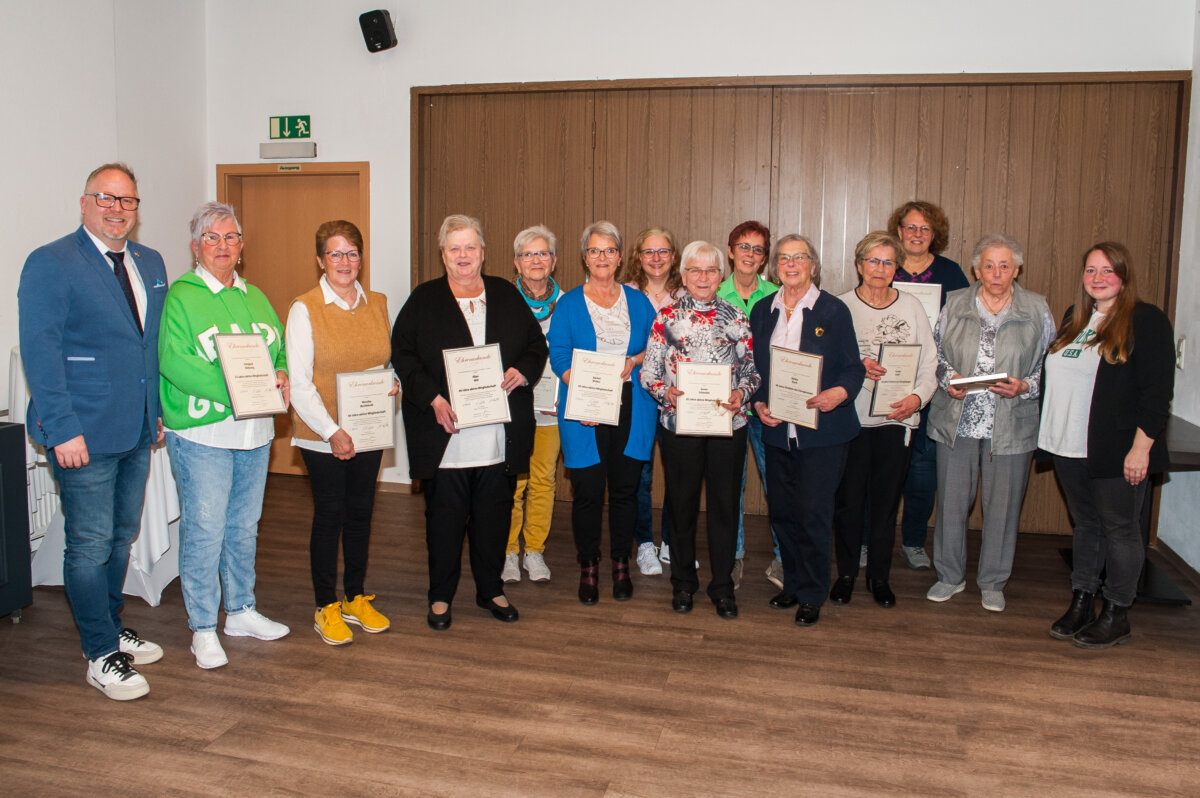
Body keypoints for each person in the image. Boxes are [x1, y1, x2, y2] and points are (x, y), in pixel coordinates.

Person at [18, 163, 167, 700]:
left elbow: (147, 346)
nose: (117, 209)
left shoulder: (150, 261)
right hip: (81, 431)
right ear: (85, 203)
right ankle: (100, 652)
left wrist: (154, 411)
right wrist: (62, 429)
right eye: (106, 198)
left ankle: (109, 624)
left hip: (135, 426)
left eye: (127, 200)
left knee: (121, 535)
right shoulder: (51, 262)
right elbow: (41, 353)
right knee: (87, 543)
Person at [391, 214, 547, 631]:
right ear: (443, 254)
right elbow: (403, 355)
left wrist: (523, 371)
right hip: (448, 437)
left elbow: (536, 344)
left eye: (470, 247)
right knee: (444, 522)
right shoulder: (424, 299)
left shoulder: (505, 294)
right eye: (454, 248)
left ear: (483, 252)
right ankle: (440, 595)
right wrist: (432, 397)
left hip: (498, 436)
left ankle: (490, 589)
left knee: (493, 520)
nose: (463, 255)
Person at [159, 201, 292, 669]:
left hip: (254, 433)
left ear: (241, 245)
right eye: (212, 238)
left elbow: (279, 347)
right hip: (204, 436)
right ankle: (202, 627)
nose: (222, 245)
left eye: (231, 237)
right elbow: (175, 362)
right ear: (195, 246)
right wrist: (238, 390)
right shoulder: (181, 296)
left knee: (243, 527)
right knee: (205, 530)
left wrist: (280, 373)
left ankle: (240, 610)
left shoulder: (255, 296)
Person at [1041, 242, 1174, 648]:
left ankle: (1117, 612)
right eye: (1090, 270)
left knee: (1121, 530)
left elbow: (1157, 393)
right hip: (1068, 445)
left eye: (1107, 270)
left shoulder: (1145, 319)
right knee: (1086, 525)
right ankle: (1082, 601)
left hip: (1117, 448)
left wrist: (1141, 448)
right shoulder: (1075, 318)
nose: (1097, 278)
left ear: (1123, 276)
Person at [926, 233, 1055, 612]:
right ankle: (949, 576)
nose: (996, 273)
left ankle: (994, 582)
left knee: (1003, 507)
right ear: (976, 270)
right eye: (988, 265)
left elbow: (1049, 365)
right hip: (958, 421)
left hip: (1011, 423)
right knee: (951, 504)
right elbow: (935, 354)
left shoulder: (1037, 308)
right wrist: (948, 379)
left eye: (1004, 266)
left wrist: (1025, 386)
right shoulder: (955, 302)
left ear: (1017, 270)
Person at [286, 220, 397, 646]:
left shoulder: (378, 303)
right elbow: (300, 384)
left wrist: (394, 382)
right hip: (322, 435)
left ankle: (354, 597)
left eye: (351, 253)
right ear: (321, 260)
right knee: (329, 516)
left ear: (361, 258)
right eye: (335, 254)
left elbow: (385, 362)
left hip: (369, 429)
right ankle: (325, 605)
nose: (344, 262)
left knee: (361, 514)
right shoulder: (305, 308)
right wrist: (333, 431)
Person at [749, 235, 865, 627]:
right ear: (775, 267)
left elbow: (853, 368)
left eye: (799, 257)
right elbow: (755, 370)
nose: (791, 264)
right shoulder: (763, 310)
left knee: (813, 514)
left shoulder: (833, 310)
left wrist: (839, 393)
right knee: (783, 513)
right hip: (777, 431)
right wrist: (758, 402)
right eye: (784, 258)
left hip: (823, 433)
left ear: (813, 265)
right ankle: (793, 584)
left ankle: (813, 593)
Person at [641, 241, 760, 618]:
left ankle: (722, 586)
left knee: (725, 506)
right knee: (682, 504)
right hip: (680, 425)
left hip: (729, 424)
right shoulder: (666, 316)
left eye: (710, 270)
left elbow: (752, 372)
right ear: (683, 275)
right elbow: (648, 373)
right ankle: (682, 583)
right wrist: (665, 392)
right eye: (695, 270)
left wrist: (742, 393)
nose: (703, 277)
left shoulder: (737, 316)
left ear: (721, 275)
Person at [548, 221, 657, 605]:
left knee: (626, 490)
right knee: (588, 492)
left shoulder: (638, 302)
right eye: (594, 250)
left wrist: (634, 360)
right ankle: (589, 565)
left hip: (633, 405)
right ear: (584, 257)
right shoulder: (569, 304)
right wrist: (585, 396)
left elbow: (655, 347)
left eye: (609, 250)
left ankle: (621, 563)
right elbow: (559, 355)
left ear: (620, 256)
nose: (602, 257)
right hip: (584, 408)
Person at [832, 231, 938, 609]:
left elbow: (930, 364)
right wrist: (855, 366)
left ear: (897, 268)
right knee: (848, 503)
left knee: (885, 504)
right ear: (859, 265)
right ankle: (846, 574)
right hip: (851, 421)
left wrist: (916, 399)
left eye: (888, 262)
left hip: (898, 420)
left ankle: (879, 577)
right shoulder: (840, 306)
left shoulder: (911, 306)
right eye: (873, 261)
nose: (880, 268)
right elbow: (826, 364)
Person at [887, 200, 970, 570]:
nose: (917, 234)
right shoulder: (885, 265)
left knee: (923, 472)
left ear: (934, 234)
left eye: (925, 228)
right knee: (881, 467)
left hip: (934, 385)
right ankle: (869, 540)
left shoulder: (951, 274)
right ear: (899, 230)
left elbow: (965, 327)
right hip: (889, 381)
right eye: (910, 227)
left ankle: (914, 541)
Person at [716, 220, 782, 589]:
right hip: (726, 405)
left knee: (778, 483)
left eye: (758, 249)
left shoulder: (779, 295)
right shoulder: (713, 292)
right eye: (744, 246)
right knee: (731, 486)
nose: (750, 254)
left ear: (764, 257)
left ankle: (783, 557)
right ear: (730, 251)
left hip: (768, 405)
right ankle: (734, 555)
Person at [622, 227, 683, 576]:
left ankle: (672, 542)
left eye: (663, 251)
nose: (656, 258)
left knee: (678, 474)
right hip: (640, 396)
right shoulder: (625, 294)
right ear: (638, 257)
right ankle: (645, 543)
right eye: (649, 251)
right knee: (641, 475)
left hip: (679, 398)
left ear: (673, 256)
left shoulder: (687, 293)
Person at [504, 225, 563, 584]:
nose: (536, 260)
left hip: (551, 406)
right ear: (517, 262)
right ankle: (509, 551)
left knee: (543, 479)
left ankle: (535, 550)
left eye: (543, 253)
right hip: (512, 405)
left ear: (554, 260)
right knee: (513, 481)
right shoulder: (502, 301)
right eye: (528, 254)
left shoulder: (568, 302)